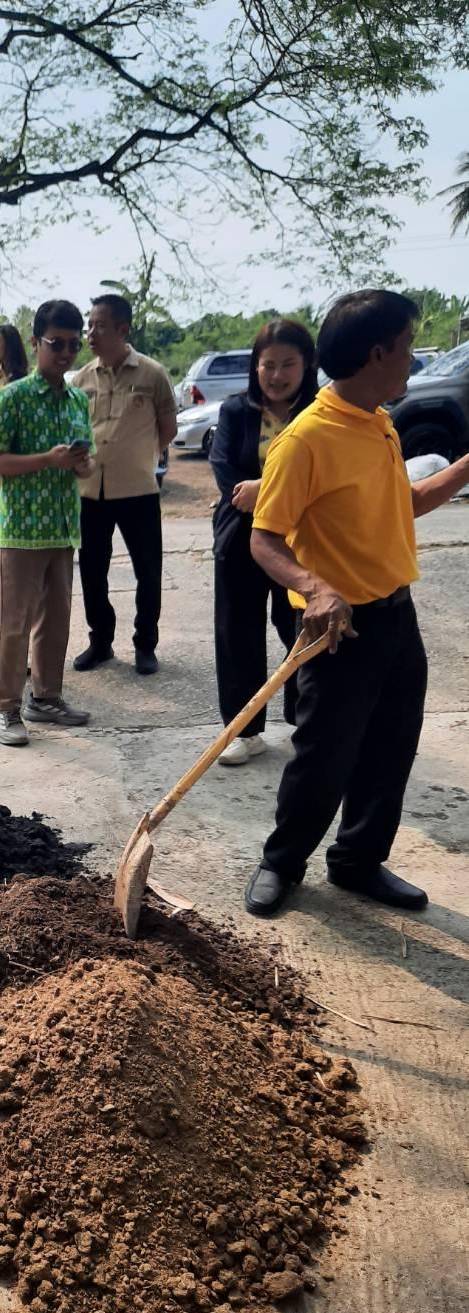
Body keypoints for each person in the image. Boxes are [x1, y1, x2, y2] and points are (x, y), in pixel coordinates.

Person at [244, 289, 469, 918]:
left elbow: (408, 504)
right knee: (325, 755)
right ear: (378, 352)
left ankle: (357, 861)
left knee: (391, 747)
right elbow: (264, 539)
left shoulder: (379, 423)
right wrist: (315, 587)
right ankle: (282, 863)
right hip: (336, 628)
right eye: (407, 348)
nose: (413, 364)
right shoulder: (306, 440)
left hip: (397, 616)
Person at [0, 300, 94, 747]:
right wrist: (45, 460)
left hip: (63, 527)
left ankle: (46, 697)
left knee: (58, 620)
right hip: (23, 530)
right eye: (56, 343)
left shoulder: (77, 399)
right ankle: (7, 708)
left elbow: (83, 465)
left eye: (74, 344)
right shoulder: (13, 397)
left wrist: (81, 465)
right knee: (16, 622)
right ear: (35, 344)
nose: (66, 352)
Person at [210, 320, 318, 766]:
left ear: (306, 365)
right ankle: (244, 729)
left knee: (299, 629)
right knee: (238, 634)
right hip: (243, 536)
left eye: (287, 365)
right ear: (255, 367)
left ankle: (304, 719)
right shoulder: (236, 411)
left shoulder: (319, 412)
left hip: (303, 540)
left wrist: (266, 489)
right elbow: (224, 471)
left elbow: (322, 474)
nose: (276, 375)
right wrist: (265, 494)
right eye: (267, 365)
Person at [73, 294, 178, 677]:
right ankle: (100, 641)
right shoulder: (82, 379)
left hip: (138, 491)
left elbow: (168, 429)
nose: (90, 334)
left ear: (122, 329)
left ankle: (145, 644)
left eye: (99, 326)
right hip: (90, 493)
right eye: (89, 326)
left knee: (148, 571)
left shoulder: (152, 374)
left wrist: (138, 455)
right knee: (91, 572)